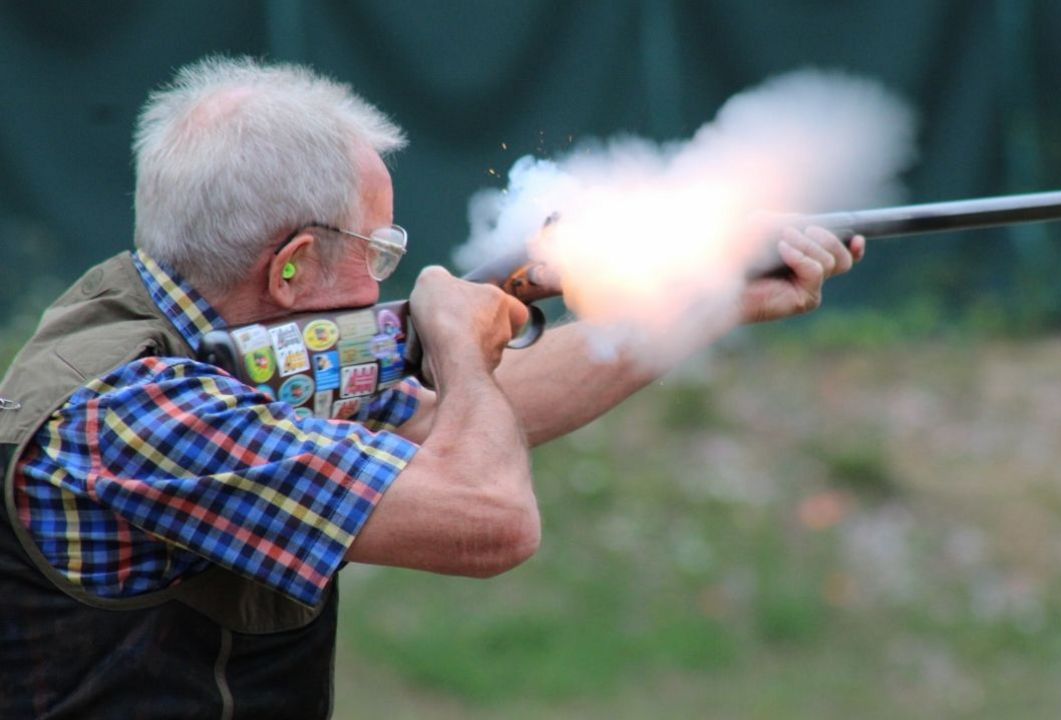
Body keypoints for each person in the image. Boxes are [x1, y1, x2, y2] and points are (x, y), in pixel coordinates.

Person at [0, 56, 864, 718]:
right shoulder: (141, 411)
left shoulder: (202, 343)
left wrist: (701, 301)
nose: (388, 281)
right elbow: (489, 517)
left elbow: (471, 420)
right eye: (379, 252)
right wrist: (453, 341)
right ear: (295, 268)